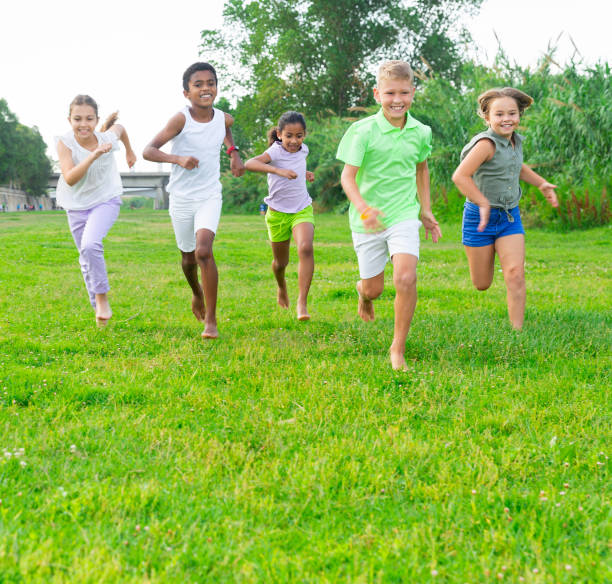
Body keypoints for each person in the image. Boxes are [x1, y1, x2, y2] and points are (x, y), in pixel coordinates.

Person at [337, 60, 441, 371]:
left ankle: (398, 348)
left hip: (403, 214)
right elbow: (347, 177)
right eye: (390, 93)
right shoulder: (362, 130)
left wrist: (425, 210)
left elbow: (421, 169)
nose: (398, 100)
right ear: (377, 93)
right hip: (366, 219)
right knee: (375, 288)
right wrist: (363, 208)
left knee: (406, 277)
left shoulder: (421, 132)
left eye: (404, 93)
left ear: (413, 92)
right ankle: (363, 293)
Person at [143, 62, 245, 339]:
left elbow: (226, 130)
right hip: (181, 196)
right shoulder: (180, 119)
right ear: (186, 92)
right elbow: (149, 151)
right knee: (188, 258)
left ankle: (211, 321)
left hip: (209, 194)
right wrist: (177, 159)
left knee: (203, 251)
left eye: (210, 83)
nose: (205, 88)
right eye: (198, 84)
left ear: (216, 87)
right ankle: (196, 293)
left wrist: (233, 152)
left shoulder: (224, 118)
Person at [452, 87, 559, 330]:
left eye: (512, 113)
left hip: (509, 216)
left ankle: (517, 331)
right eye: (499, 114)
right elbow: (460, 177)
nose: (506, 119)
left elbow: (517, 167)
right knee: (482, 283)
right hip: (479, 218)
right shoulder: (486, 145)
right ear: (487, 117)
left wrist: (541, 183)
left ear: (519, 115)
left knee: (515, 273)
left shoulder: (514, 142)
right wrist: (482, 202)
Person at [55, 94, 136, 327]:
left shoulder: (107, 137)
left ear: (97, 119)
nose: (83, 124)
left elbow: (120, 128)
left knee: (91, 245)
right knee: (85, 256)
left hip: (106, 199)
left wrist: (130, 152)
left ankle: (102, 300)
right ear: (69, 120)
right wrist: (94, 155)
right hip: (76, 204)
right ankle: (97, 307)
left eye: (89, 119)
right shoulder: (65, 142)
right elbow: (70, 178)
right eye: (77, 119)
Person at [245, 111, 315, 321]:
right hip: (276, 214)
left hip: (301, 209)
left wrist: (305, 173)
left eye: (299, 135)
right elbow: (250, 163)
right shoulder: (274, 152)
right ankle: (281, 287)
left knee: (305, 247)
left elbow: (296, 166)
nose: (294, 141)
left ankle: (302, 302)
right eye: (289, 136)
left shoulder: (304, 150)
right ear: (279, 134)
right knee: (280, 262)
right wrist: (278, 171)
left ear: (304, 135)